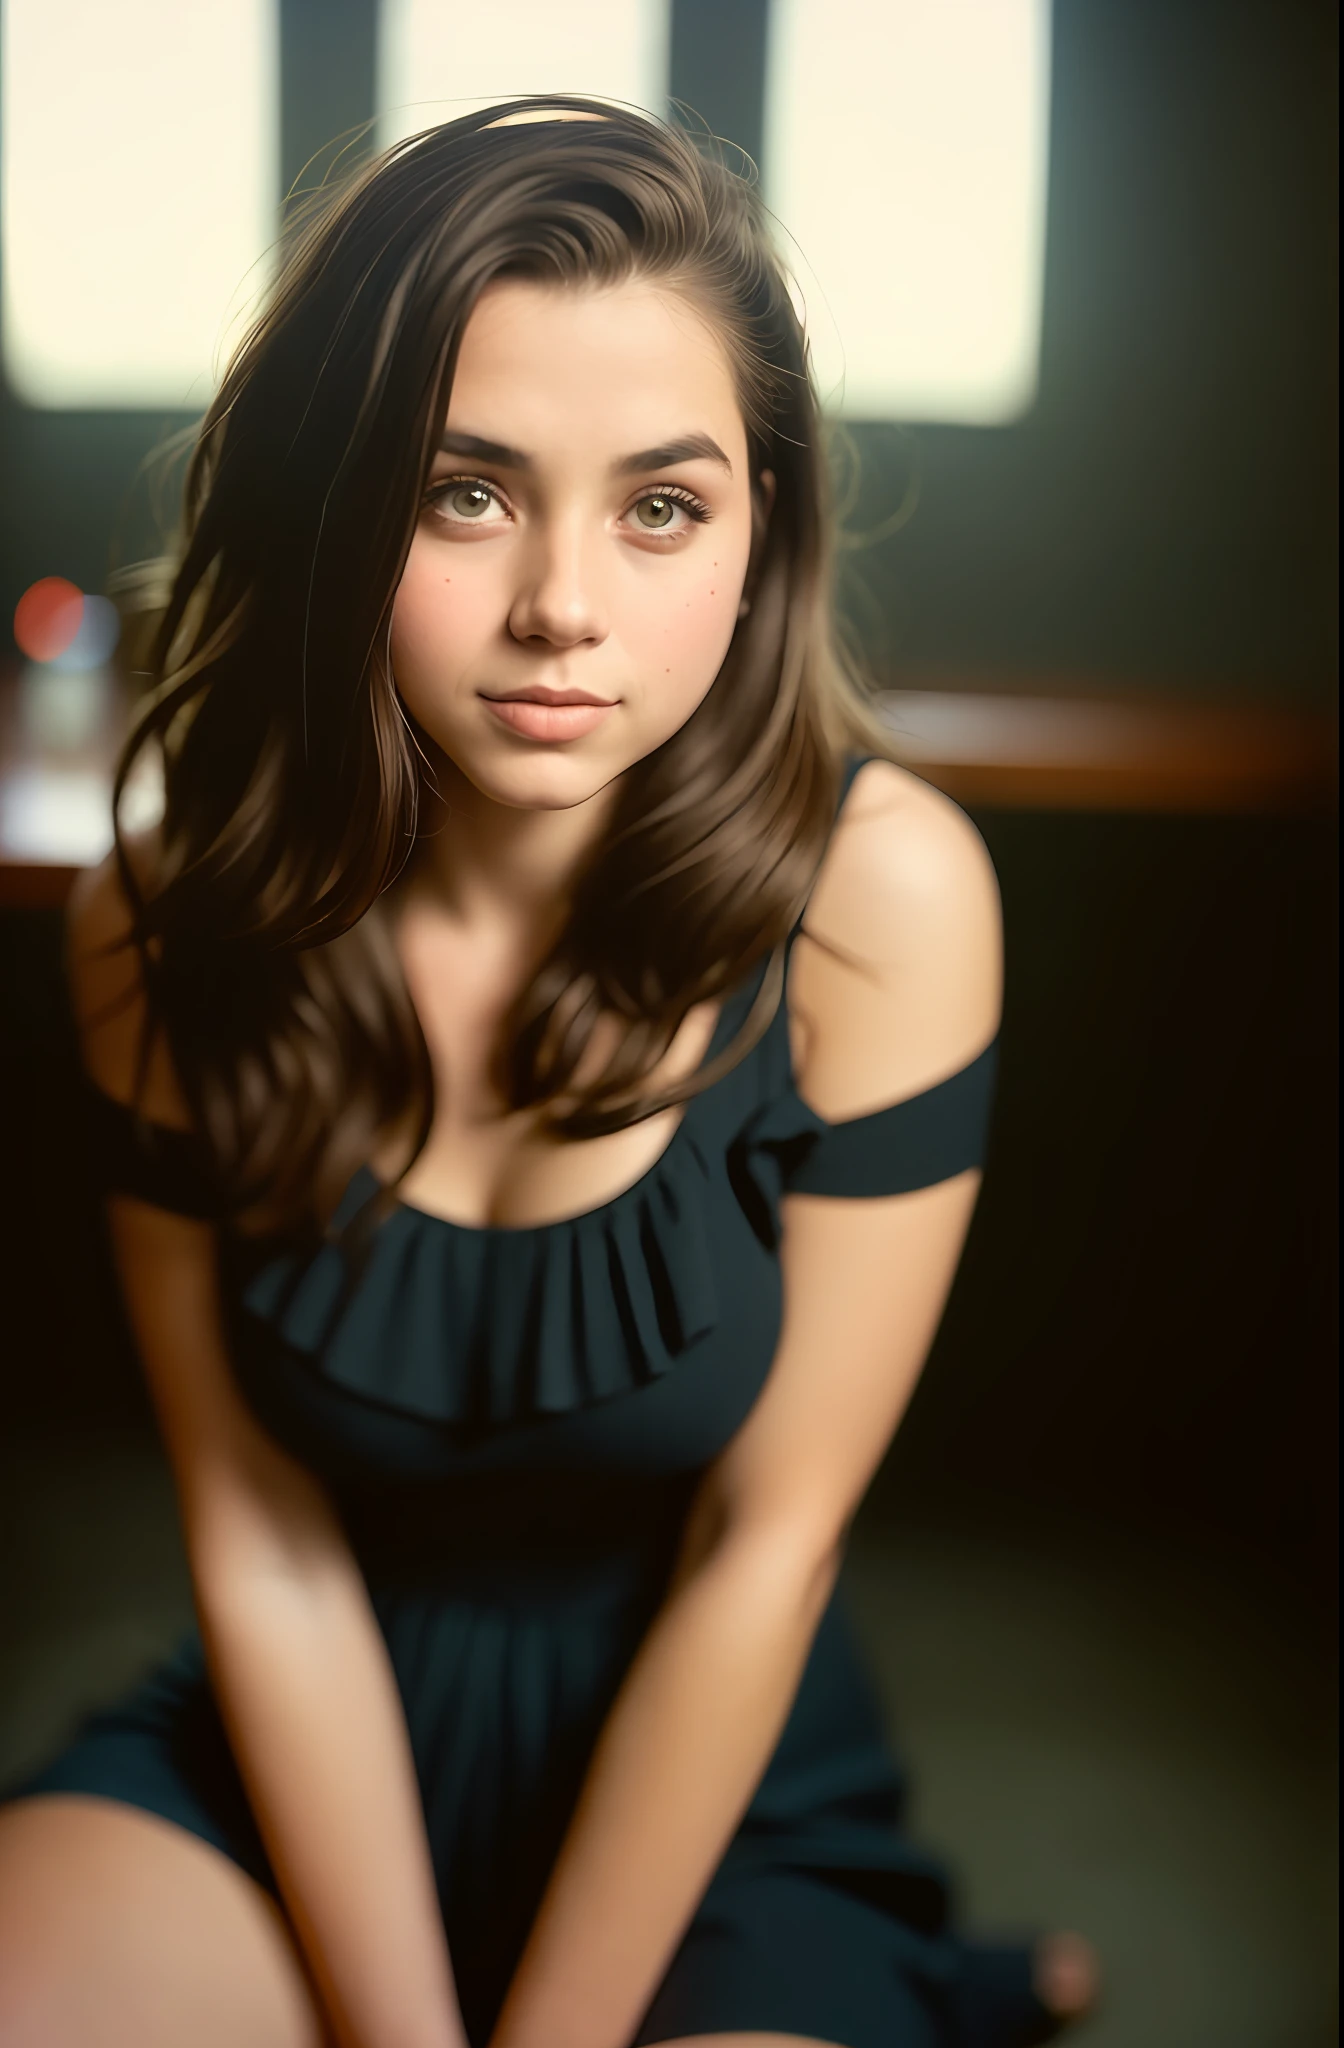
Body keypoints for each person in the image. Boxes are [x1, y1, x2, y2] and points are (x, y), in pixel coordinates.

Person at [0, 96, 1098, 2048]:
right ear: (340, 502)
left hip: (724, 1783)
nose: (563, 607)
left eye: (659, 505)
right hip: (285, 1756)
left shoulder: (884, 900)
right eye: (465, 492)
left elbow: (770, 1550)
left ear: (760, 530)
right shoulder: (157, 922)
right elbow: (256, 1541)